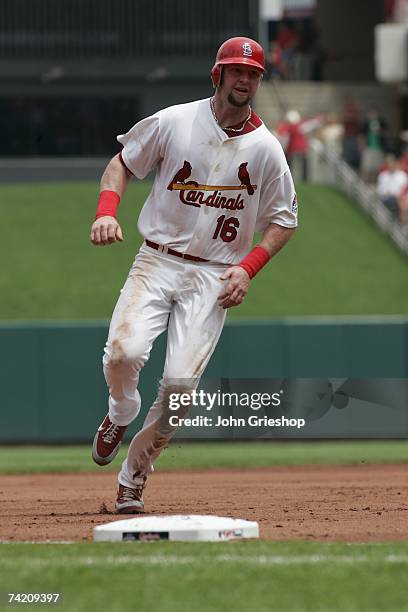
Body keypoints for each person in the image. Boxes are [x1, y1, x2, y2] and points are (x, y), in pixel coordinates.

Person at [90, 37, 298, 513]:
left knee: (180, 393)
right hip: (157, 259)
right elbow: (122, 163)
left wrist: (248, 269)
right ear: (217, 75)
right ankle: (121, 410)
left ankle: (134, 476)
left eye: (252, 73)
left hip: (214, 276)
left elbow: (284, 220)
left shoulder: (266, 149)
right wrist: (106, 211)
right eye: (235, 70)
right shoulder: (175, 121)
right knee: (123, 354)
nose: (244, 79)